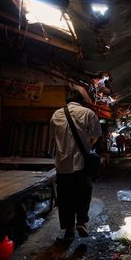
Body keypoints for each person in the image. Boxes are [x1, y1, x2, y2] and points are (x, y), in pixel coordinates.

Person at [50, 88, 102, 241]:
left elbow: (54, 137)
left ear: (66, 101)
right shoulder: (88, 113)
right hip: (81, 163)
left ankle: (68, 231)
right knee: (84, 192)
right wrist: (87, 147)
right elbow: (96, 135)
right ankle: (81, 221)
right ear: (81, 101)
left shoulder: (56, 114)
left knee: (65, 198)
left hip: (62, 165)